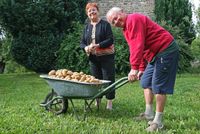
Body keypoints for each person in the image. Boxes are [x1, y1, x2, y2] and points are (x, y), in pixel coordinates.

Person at [106, 7, 179, 132]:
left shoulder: (133, 19)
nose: (116, 21)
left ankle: (158, 122)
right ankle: (149, 114)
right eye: (113, 22)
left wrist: (133, 68)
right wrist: (140, 68)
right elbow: (138, 47)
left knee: (158, 86)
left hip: (165, 49)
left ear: (123, 12)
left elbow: (138, 45)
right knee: (145, 81)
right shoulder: (126, 30)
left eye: (117, 17)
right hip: (153, 54)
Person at [80, 2, 115, 110]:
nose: (92, 12)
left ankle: (109, 103)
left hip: (106, 57)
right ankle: (97, 101)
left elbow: (110, 40)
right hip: (93, 59)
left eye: (94, 10)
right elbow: (82, 42)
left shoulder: (105, 24)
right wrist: (85, 47)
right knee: (96, 80)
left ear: (98, 11)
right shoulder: (87, 27)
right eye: (89, 11)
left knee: (108, 79)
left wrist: (98, 45)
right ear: (87, 14)